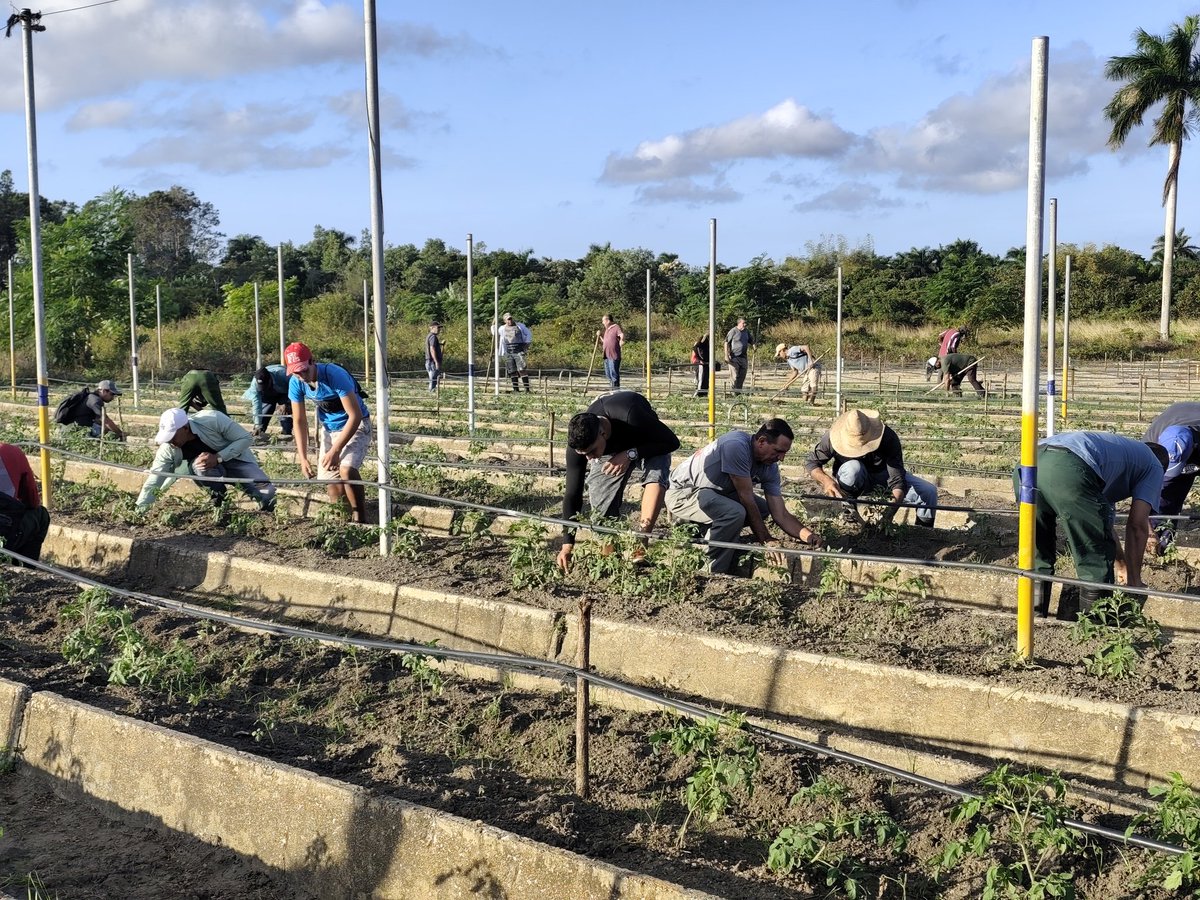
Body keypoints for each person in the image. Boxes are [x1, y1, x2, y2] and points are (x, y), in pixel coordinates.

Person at [1014, 431, 1167, 619]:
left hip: (1028, 462)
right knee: (1094, 559)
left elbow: (1105, 524)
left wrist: (1122, 566)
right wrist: (1134, 582)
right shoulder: (1154, 465)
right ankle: (1094, 628)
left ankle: (1033, 621)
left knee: (1037, 554)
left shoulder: (1116, 456)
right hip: (1068, 466)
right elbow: (1137, 525)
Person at [665, 419, 822, 575]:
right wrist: (766, 540)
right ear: (761, 441)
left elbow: (780, 513)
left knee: (763, 509)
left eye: (784, 453)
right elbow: (746, 498)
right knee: (734, 512)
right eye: (778, 451)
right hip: (684, 493)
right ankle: (711, 571)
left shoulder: (770, 468)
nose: (781, 458)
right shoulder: (736, 445)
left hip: (715, 493)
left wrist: (808, 536)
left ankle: (700, 528)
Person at [556, 390, 681, 573]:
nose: (590, 458)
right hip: (613, 448)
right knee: (599, 498)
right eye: (585, 455)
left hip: (646, 439)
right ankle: (609, 557)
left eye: (592, 451)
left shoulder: (631, 415)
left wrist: (630, 454)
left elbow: (671, 442)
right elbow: (572, 493)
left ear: (602, 432)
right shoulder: (579, 444)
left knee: (656, 473)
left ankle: (641, 540)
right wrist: (567, 544)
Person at [805, 408, 938, 527]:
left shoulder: (887, 437)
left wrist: (889, 513)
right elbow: (812, 463)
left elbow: (897, 481)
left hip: (883, 477)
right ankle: (849, 512)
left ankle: (922, 534)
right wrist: (826, 481)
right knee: (853, 469)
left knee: (928, 491)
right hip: (852, 480)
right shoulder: (833, 438)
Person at [286, 342, 372, 524]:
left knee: (346, 469)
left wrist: (335, 451)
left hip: (356, 425)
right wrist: (302, 457)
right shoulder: (296, 383)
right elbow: (299, 420)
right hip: (329, 429)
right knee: (331, 481)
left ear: (312, 361)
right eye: (295, 372)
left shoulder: (334, 375)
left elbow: (354, 416)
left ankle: (361, 519)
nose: (301, 376)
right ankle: (342, 520)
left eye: (304, 370)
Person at [136, 407, 277, 513]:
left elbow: (246, 438)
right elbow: (154, 479)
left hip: (235, 459)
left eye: (173, 436)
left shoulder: (212, 419)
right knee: (199, 465)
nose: (171, 441)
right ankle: (219, 500)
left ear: (185, 428)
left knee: (268, 493)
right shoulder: (168, 447)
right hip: (207, 469)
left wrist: (218, 457)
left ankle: (266, 515)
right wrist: (140, 509)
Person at [1142, 402, 1200, 552]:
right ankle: (1161, 544)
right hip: (1170, 440)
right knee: (1165, 496)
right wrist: (1149, 532)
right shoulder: (1151, 443)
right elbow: (1142, 491)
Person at [0, 442, 50, 561]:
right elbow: (32, 501)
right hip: (4, 531)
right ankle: (23, 571)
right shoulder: (11, 452)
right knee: (41, 515)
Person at [243, 364, 293, 438]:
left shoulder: (284, 374)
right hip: (268, 394)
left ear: (270, 379)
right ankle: (259, 432)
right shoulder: (255, 384)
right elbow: (256, 404)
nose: (264, 387)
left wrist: (288, 402)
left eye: (265, 385)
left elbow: (295, 389)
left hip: (285, 391)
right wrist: (257, 424)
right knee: (264, 413)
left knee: (284, 413)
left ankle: (287, 434)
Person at [498, 312, 533, 393]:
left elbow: (528, 334)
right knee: (512, 371)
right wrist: (493, 325)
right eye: (508, 319)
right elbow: (495, 333)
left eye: (511, 318)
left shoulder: (520, 326)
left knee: (522, 369)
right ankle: (516, 390)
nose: (510, 320)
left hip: (519, 350)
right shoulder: (502, 328)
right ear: (505, 321)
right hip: (508, 351)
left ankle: (527, 389)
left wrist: (527, 343)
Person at [724, 317, 755, 393]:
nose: (745, 324)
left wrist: (754, 345)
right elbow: (726, 342)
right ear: (739, 323)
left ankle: (738, 392)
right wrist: (726, 355)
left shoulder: (746, 331)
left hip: (743, 357)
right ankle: (733, 391)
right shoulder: (733, 331)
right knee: (734, 376)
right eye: (743, 323)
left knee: (742, 375)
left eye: (745, 323)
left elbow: (751, 340)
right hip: (734, 356)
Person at [597, 313, 625, 389]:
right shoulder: (607, 330)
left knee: (614, 374)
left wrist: (622, 340)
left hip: (613, 355)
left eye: (603, 321)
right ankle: (611, 389)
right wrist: (599, 336)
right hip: (606, 355)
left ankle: (615, 391)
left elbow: (621, 334)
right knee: (608, 374)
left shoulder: (616, 327)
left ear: (607, 320)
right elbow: (605, 342)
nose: (602, 323)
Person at [426, 321, 444, 392]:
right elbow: (432, 349)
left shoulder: (429, 336)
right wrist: (436, 361)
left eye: (439, 328)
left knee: (433, 380)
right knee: (433, 381)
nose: (439, 329)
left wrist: (441, 345)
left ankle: (432, 395)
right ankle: (431, 396)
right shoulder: (433, 337)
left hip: (429, 361)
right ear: (432, 328)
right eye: (438, 327)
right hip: (432, 362)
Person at [693, 333, 713, 397]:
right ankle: (699, 392)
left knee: (706, 378)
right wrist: (701, 359)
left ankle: (704, 392)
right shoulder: (700, 344)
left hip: (707, 363)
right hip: (701, 363)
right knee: (701, 378)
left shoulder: (709, 344)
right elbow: (696, 348)